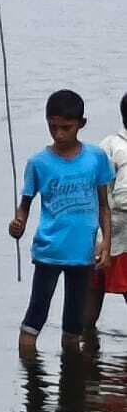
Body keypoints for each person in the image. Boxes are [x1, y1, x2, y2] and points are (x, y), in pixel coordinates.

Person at [9, 90, 114, 354]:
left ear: (81, 124)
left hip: (82, 254)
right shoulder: (38, 163)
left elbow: (104, 206)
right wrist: (17, 224)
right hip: (49, 251)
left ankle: (72, 384)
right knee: (35, 317)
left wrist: (106, 245)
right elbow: (24, 207)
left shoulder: (96, 158)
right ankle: (31, 382)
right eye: (52, 127)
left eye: (65, 127)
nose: (58, 134)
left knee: (73, 327)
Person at [85, 92, 127, 329]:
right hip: (106, 234)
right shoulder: (111, 147)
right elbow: (101, 194)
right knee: (91, 301)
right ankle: (83, 347)